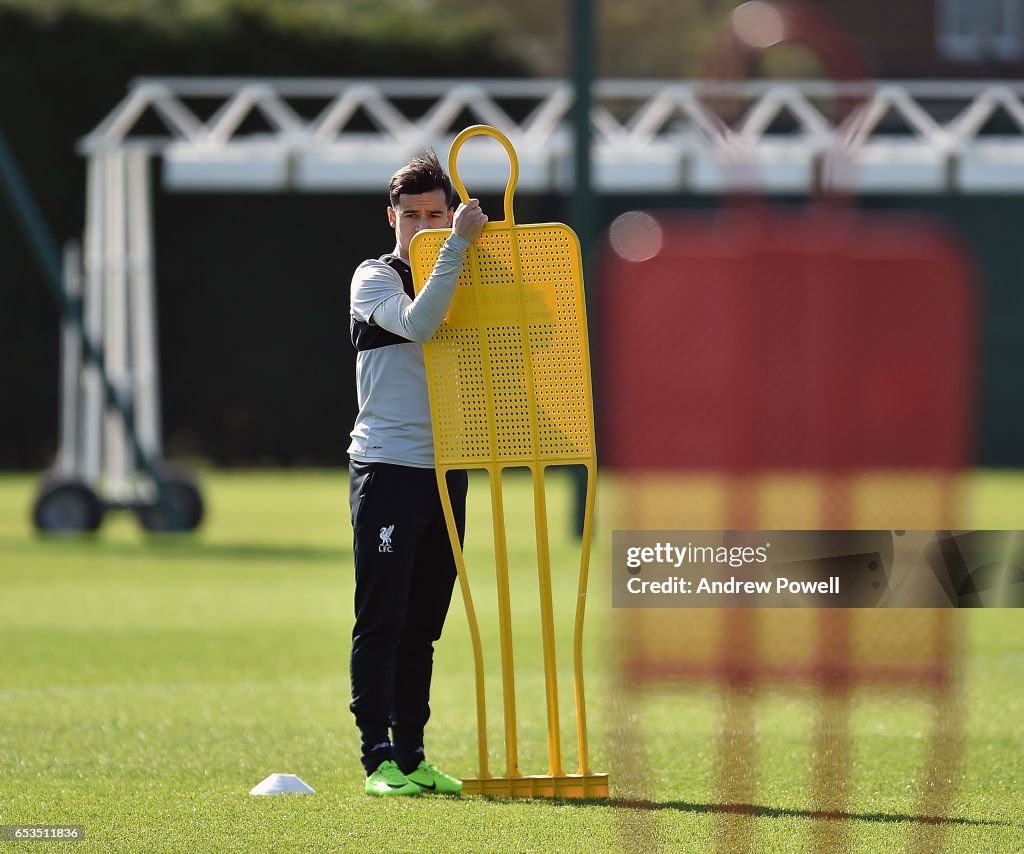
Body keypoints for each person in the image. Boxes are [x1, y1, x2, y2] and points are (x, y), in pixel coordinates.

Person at [346, 150, 487, 797]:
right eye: (412, 216)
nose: (424, 226)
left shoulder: (464, 266)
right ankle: (376, 758)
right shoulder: (374, 276)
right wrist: (457, 245)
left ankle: (411, 753)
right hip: (387, 467)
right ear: (392, 218)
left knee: (425, 624)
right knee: (383, 618)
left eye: (436, 215)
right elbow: (420, 323)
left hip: (447, 467)